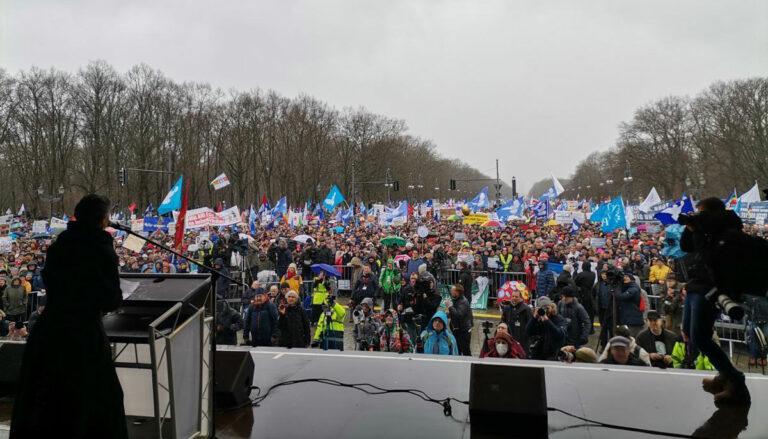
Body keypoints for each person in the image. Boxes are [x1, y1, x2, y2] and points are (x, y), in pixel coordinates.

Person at [11, 194, 128, 438]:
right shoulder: (99, 246)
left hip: (49, 332)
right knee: (94, 399)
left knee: (45, 399)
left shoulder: (61, 243)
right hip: (83, 336)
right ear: (102, 219)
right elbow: (110, 297)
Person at [680, 197, 751, 404]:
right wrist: (692, 227)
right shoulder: (704, 229)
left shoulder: (729, 231)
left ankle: (735, 380)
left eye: (701, 212)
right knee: (690, 331)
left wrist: (700, 230)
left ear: (712, 213)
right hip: (695, 284)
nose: (698, 215)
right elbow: (686, 247)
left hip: (712, 289)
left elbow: (708, 255)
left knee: (700, 336)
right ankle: (724, 372)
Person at [525, 296, 568, 361]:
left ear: (552, 307)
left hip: (554, 355)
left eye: (547, 308)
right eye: (542, 308)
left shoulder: (559, 319)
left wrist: (547, 320)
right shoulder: (537, 319)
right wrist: (534, 318)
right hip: (539, 354)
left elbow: (559, 334)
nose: (545, 310)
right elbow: (528, 332)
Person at [500, 290, 533, 354]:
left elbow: (530, 325)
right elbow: (502, 322)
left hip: (522, 340)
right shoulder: (507, 308)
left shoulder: (526, 309)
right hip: (509, 339)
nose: (514, 298)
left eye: (516, 297)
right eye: (513, 296)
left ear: (521, 298)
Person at [446, 284, 473, 356]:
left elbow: (458, 315)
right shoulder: (457, 299)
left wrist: (450, 307)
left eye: (452, 290)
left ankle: (468, 363)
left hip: (463, 331)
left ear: (457, 292)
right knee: (457, 349)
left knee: (466, 350)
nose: (451, 292)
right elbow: (455, 312)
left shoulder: (463, 301)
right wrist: (447, 314)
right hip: (458, 330)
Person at [616, 270, 645, 337]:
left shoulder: (634, 288)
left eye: (627, 276)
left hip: (633, 320)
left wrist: (617, 287)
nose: (624, 278)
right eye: (624, 276)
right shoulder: (626, 287)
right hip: (627, 318)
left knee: (631, 338)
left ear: (632, 279)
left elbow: (622, 296)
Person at [573, 260, 597, 331]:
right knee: (590, 313)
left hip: (582, 295)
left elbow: (575, 282)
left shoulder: (581, 274)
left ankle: (582, 328)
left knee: (582, 312)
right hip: (590, 294)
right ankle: (591, 328)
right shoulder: (593, 274)